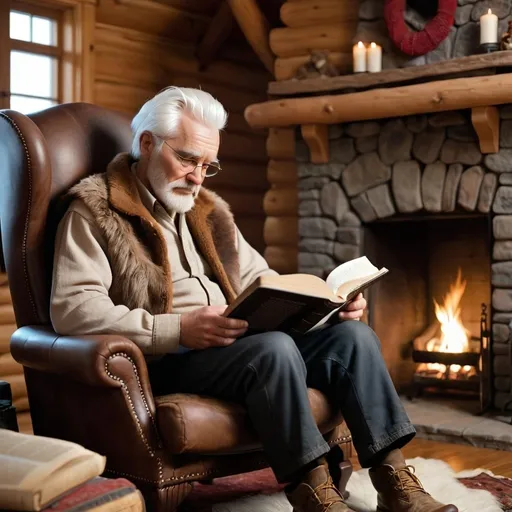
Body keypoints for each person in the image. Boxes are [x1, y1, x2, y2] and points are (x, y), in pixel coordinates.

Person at [50, 86, 457, 512]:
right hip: (168, 359)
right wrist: (177, 329)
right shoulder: (96, 211)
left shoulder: (208, 210)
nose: (196, 177)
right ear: (148, 144)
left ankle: (395, 482)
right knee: (272, 349)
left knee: (354, 337)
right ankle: (312, 491)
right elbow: (74, 309)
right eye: (187, 159)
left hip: (237, 347)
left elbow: (262, 279)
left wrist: (329, 308)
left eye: (207, 166)